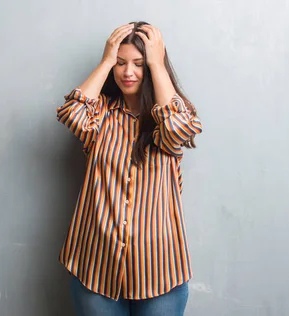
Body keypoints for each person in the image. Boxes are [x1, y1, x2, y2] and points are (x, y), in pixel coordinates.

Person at [56, 21, 203, 316]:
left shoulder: (167, 122)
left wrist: (157, 64)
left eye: (138, 64)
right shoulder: (101, 115)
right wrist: (106, 59)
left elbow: (180, 129)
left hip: (160, 272)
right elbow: (71, 112)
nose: (128, 72)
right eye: (121, 63)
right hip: (96, 269)